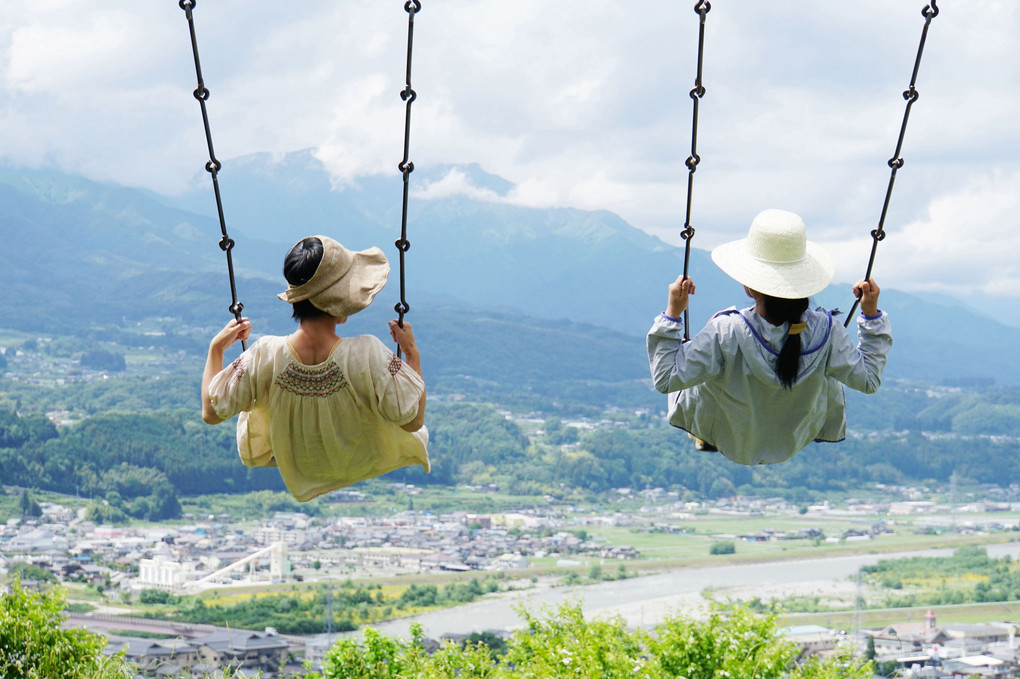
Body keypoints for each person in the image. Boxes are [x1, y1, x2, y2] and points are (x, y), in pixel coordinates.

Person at [647, 209, 892, 465]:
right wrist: (871, 314)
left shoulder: (725, 331)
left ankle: (704, 428)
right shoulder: (828, 332)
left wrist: (673, 313)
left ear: (750, 286)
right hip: (793, 438)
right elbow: (869, 380)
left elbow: (666, 379)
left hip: (730, 436)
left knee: (700, 348)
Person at [201, 235, 429, 501]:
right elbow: (413, 420)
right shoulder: (368, 353)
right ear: (338, 298)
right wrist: (411, 353)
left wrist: (215, 350)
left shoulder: (265, 354)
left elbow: (211, 413)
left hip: (295, 464)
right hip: (363, 459)